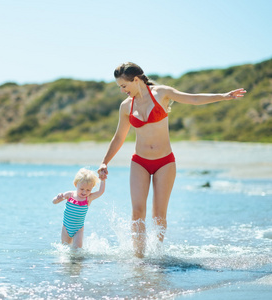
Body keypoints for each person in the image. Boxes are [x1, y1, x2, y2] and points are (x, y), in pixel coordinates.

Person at [97, 62, 246, 258]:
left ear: (135, 80)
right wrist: (104, 162)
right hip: (139, 162)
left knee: (159, 215)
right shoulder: (126, 106)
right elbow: (119, 137)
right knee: (137, 212)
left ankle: (156, 254)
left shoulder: (161, 93)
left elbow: (193, 99)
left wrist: (223, 96)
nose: (122, 90)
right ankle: (139, 257)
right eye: (119, 87)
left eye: (123, 86)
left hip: (164, 163)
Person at [53, 168, 106, 248]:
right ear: (76, 184)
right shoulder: (69, 195)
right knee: (64, 249)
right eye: (82, 189)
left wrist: (103, 180)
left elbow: (100, 192)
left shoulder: (88, 198)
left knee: (77, 252)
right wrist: (58, 198)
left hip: (78, 230)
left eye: (88, 190)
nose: (84, 192)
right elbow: (54, 202)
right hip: (66, 228)